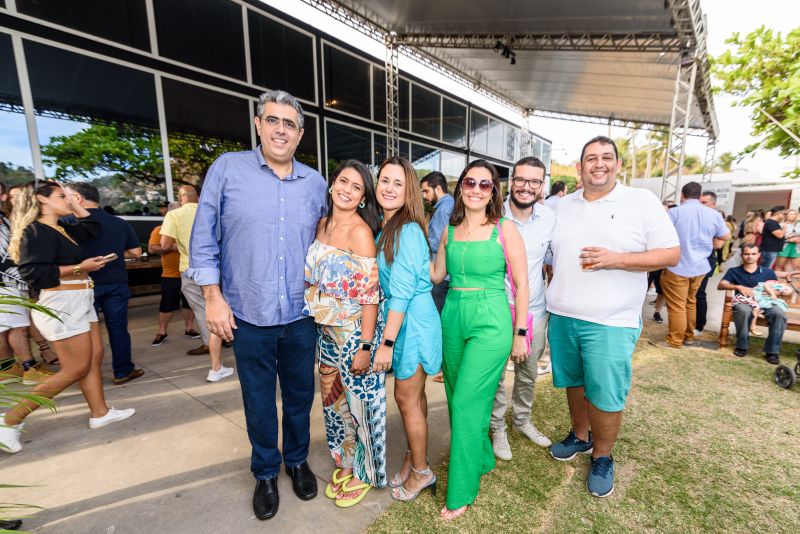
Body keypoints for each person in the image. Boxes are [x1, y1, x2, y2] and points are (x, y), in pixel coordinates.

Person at [187, 89, 327, 520]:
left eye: (289, 124)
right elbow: (204, 238)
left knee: (300, 397)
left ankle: (297, 461)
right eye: (273, 120)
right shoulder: (227, 170)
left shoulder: (316, 183)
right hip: (248, 314)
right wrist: (212, 298)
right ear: (258, 125)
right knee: (259, 400)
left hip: (301, 316)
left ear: (300, 134)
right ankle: (266, 471)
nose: (281, 130)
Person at [546, 136, 679, 498]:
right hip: (563, 314)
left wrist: (616, 259)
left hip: (611, 320)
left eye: (607, 157)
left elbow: (671, 253)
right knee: (574, 382)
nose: (599, 164)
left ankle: (602, 456)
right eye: (591, 158)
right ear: (579, 168)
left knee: (605, 393)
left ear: (618, 165)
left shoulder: (641, 201)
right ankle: (580, 436)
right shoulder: (561, 206)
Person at [0, 181, 135, 454]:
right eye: (61, 196)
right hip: (63, 303)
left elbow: (92, 228)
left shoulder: (61, 227)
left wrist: (74, 203)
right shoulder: (35, 230)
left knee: (94, 356)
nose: (68, 200)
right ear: (42, 199)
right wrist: (79, 267)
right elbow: (34, 274)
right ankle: (9, 420)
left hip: (81, 298)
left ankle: (100, 413)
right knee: (75, 368)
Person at [431, 159, 529, 520]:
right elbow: (436, 275)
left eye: (484, 184)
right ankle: (484, 457)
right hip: (453, 316)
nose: (476, 189)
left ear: (493, 192)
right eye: (469, 182)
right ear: (461, 187)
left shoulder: (505, 229)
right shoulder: (449, 230)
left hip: (491, 319)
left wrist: (520, 334)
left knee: (466, 403)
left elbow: (523, 285)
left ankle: (461, 490)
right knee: (456, 395)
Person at [303, 160, 385, 507]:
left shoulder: (360, 233)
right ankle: (348, 461)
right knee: (334, 404)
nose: (347, 190)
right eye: (343, 181)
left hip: (353, 332)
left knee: (362, 406)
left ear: (363, 197)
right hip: (324, 332)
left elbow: (370, 295)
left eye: (356, 187)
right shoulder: (321, 224)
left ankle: (367, 473)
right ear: (332, 183)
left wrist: (365, 346)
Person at [372, 157, 442, 503]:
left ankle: (422, 471)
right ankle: (414, 459)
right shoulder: (388, 226)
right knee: (414, 397)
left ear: (409, 190)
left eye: (398, 183)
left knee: (406, 397)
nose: (389, 188)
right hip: (404, 319)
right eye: (385, 180)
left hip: (411, 322)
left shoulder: (408, 230)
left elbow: (400, 292)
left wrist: (386, 343)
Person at [490, 156, 555, 461]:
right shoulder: (492, 215)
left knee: (528, 372)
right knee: (496, 375)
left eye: (534, 181)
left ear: (542, 186)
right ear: (511, 181)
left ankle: (522, 420)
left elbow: (554, 261)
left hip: (536, 310)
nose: (526, 187)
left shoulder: (550, 218)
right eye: (520, 180)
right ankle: (497, 428)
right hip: (497, 309)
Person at [67, 183, 145, 385]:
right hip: (116, 282)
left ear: (77, 198)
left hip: (82, 284)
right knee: (118, 329)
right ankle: (123, 371)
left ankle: (87, 374)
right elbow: (136, 252)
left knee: (84, 331)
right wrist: (115, 254)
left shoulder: (68, 224)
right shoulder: (119, 222)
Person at [161, 185, 231, 382]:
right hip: (218, 268)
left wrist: (183, 244)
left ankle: (216, 367)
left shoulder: (174, 215)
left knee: (205, 314)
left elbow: (164, 245)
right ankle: (224, 346)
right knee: (224, 309)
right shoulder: (212, 212)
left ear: (180, 198)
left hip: (190, 269)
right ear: (198, 197)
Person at [651, 182, 728, 349]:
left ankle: (675, 340)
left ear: (682, 195)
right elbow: (725, 235)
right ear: (699, 196)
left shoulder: (675, 212)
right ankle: (688, 337)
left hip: (678, 265)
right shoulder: (713, 214)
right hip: (700, 266)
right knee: (690, 302)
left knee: (677, 305)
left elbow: (661, 235)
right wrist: (709, 241)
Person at [0, 181, 54, 385]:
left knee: (7, 327)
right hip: (7, 283)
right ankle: (29, 368)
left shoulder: (4, 221)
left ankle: (7, 370)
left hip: (14, 282)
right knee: (18, 327)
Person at [718, 244, 789, 364]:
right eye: (746, 254)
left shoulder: (768, 272)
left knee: (778, 313)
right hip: (745, 301)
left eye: (753, 254)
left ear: (758, 255)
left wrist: (775, 291)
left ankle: (772, 352)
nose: (750, 256)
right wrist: (738, 287)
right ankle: (741, 346)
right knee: (743, 310)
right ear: (742, 255)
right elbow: (721, 285)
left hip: (765, 302)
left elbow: (776, 289)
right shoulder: (734, 271)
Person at [148, 201, 200, 346]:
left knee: (189, 304)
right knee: (167, 305)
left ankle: (189, 328)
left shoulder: (188, 228)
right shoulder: (160, 229)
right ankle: (162, 332)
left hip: (189, 272)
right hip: (171, 275)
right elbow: (152, 248)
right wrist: (176, 246)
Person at [420, 171, 453, 384]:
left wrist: (422, 235)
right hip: (445, 274)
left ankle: (442, 366)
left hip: (441, 274)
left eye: (426, 191)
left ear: (437, 188)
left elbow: (441, 243)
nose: (424, 195)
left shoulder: (443, 209)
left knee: (439, 321)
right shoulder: (447, 206)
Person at [692, 190, 729, 336]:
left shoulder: (716, 218)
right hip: (690, 259)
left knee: (699, 293)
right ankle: (687, 324)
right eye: (699, 202)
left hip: (706, 259)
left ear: (713, 204)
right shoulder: (695, 216)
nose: (700, 205)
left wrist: (697, 240)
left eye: (704, 202)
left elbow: (718, 244)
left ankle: (699, 326)